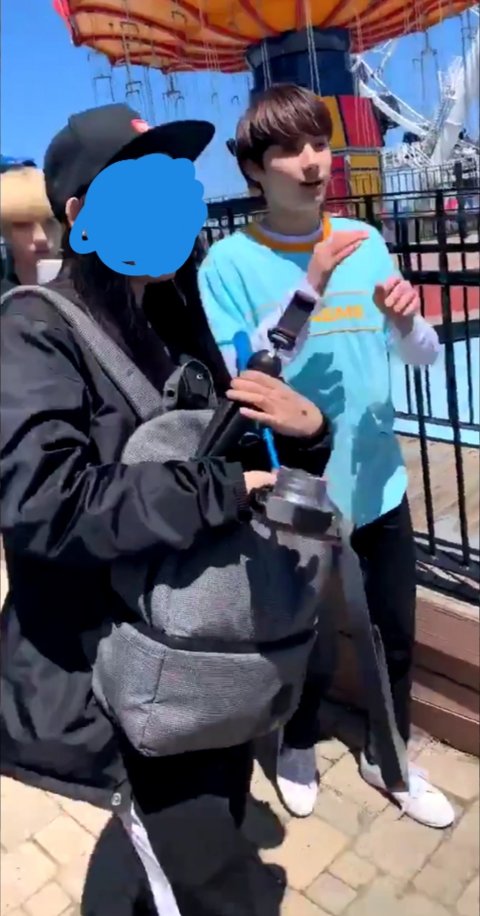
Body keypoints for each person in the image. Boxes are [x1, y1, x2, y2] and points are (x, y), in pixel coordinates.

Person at [0, 102, 331, 916]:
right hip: (119, 669)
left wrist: (307, 437)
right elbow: (43, 502)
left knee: (220, 808)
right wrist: (216, 490)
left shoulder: (172, 316)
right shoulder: (34, 329)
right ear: (81, 214)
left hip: (208, 647)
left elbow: (232, 458)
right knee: (208, 872)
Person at [199, 84, 455, 830]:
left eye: (320, 143)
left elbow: (424, 355)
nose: (313, 162)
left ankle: (388, 754)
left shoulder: (367, 240)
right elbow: (248, 377)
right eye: (289, 149)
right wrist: (309, 284)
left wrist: (408, 325)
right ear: (254, 170)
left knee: (393, 632)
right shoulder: (228, 265)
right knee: (301, 638)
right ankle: (297, 741)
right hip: (293, 492)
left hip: (378, 481)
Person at [0, 165, 61, 294]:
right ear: (5, 231)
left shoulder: (93, 292)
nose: (41, 238)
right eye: (23, 224)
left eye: (50, 222)